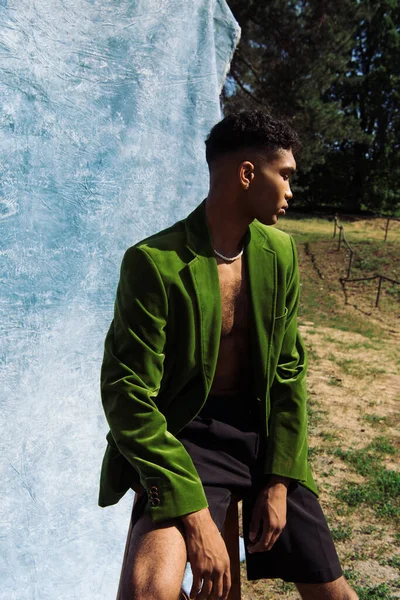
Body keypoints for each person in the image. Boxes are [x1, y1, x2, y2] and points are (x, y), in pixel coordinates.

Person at [98, 110, 358, 600]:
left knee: (336, 595)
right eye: (284, 174)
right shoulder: (154, 263)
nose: (290, 190)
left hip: (260, 435)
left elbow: (288, 373)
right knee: (146, 591)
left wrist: (278, 480)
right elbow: (126, 394)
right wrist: (196, 519)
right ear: (245, 174)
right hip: (187, 440)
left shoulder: (280, 253)